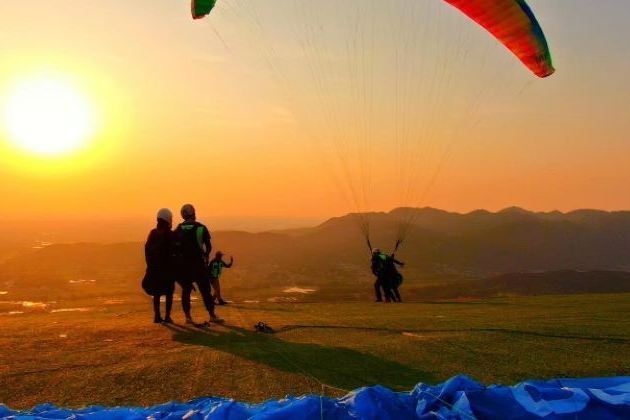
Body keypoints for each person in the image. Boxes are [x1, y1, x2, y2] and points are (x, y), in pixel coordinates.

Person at [174, 204, 221, 325]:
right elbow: (208, 247)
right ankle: (212, 315)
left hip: (183, 266)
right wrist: (205, 255)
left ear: (183, 215)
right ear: (194, 213)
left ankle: (188, 317)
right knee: (205, 290)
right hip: (198, 264)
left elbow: (174, 248)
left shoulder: (178, 229)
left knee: (186, 291)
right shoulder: (201, 228)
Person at [142, 208, 176, 323]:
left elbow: (146, 249)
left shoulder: (153, 233)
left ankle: (157, 316)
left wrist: (150, 265)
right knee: (169, 292)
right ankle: (167, 316)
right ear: (168, 220)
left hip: (154, 270)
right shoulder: (170, 234)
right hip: (167, 270)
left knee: (157, 293)